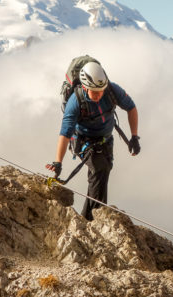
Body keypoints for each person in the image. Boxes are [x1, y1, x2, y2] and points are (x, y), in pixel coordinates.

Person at [46, 59, 140, 220]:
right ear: (84, 87)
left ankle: (87, 217)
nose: (98, 95)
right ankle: (95, 219)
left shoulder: (111, 89)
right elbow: (65, 133)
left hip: (106, 139)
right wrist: (58, 162)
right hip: (83, 141)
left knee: (102, 172)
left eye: (100, 91)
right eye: (94, 92)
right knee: (99, 168)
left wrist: (134, 137)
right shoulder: (75, 102)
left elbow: (131, 107)